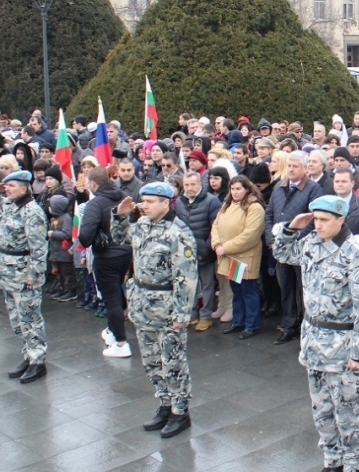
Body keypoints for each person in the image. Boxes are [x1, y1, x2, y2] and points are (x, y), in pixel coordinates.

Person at [272, 195, 359, 472]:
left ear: (341, 220)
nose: (317, 225)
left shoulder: (355, 254)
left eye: (323, 220)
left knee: (349, 411)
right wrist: (291, 228)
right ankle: (332, 461)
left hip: (343, 346)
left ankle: (353, 464)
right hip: (314, 342)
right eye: (315, 219)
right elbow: (282, 253)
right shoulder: (310, 244)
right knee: (322, 409)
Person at [112, 182, 199, 439]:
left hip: (167, 307)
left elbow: (187, 276)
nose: (145, 206)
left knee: (173, 362)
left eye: (150, 202)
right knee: (151, 360)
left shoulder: (179, 233)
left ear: (166, 203)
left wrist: (182, 315)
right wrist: (121, 215)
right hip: (142, 303)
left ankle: (180, 411)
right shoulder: (142, 225)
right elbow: (119, 237)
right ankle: (165, 403)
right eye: (143, 201)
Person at [0, 170, 50, 383]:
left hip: (23, 273)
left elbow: (39, 247)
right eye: (6, 186)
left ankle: (38, 360)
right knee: (16, 319)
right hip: (6, 270)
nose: (7, 189)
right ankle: (28, 355)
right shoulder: (8, 204)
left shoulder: (32, 212)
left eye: (11, 186)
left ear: (24, 188)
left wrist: (34, 273)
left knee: (30, 317)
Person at [264, 151, 323, 345]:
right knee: (286, 287)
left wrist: (296, 242)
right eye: (289, 166)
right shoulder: (279, 187)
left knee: (304, 288)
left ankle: (306, 326)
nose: (290, 169)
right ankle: (288, 325)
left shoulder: (313, 189)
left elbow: (313, 219)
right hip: (281, 249)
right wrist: (273, 240)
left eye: (295, 166)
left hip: (302, 249)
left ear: (305, 169)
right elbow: (270, 214)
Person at [78, 167, 134, 358]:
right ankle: (112, 330)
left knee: (111, 299)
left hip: (106, 256)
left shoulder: (95, 204)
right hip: (125, 253)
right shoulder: (122, 196)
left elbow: (85, 237)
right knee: (117, 292)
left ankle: (121, 343)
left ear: (93, 184)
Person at [212, 176, 266, 340]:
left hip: (244, 257)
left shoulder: (254, 207)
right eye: (233, 189)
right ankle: (238, 321)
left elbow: (250, 236)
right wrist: (216, 244)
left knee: (248, 291)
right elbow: (215, 225)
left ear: (247, 189)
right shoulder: (227, 204)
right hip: (229, 256)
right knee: (236, 290)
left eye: (238, 189)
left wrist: (225, 247)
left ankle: (252, 324)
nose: (235, 192)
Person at [176, 171, 221, 331]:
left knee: (207, 285)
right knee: (190, 285)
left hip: (205, 251)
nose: (189, 188)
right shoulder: (180, 202)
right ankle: (192, 313)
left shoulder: (211, 201)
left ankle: (206, 316)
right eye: (186, 185)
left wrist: (207, 247)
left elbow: (215, 227)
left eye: (192, 184)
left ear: (200, 184)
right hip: (185, 252)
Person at [46, 195, 77, 303]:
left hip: (64, 252)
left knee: (67, 273)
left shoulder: (66, 218)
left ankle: (70, 290)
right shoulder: (56, 218)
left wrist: (52, 233)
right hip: (57, 252)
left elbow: (67, 234)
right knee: (60, 273)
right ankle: (62, 288)